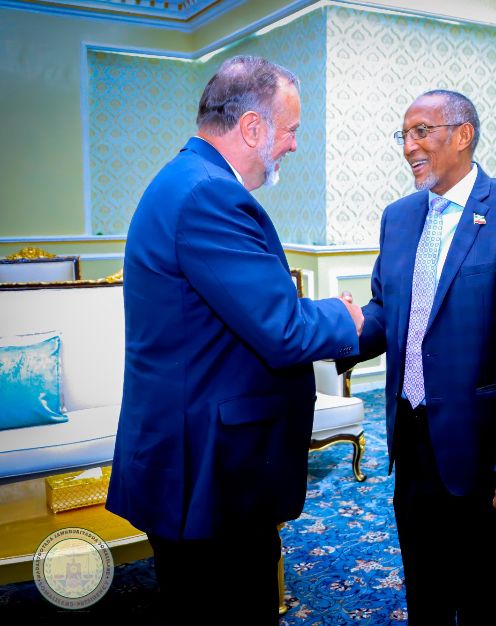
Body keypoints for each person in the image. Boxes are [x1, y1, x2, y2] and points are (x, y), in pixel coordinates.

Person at [106, 55, 364, 624]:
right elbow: (281, 329)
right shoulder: (210, 195)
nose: (293, 144)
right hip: (209, 467)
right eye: (290, 130)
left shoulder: (184, 179)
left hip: (193, 452)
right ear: (251, 127)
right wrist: (346, 316)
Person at [341, 89, 496, 624]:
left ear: (463, 135)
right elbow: (388, 312)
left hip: (482, 448)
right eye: (404, 135)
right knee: (424, 590)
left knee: (479, 595)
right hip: (411, 437)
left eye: (422, 132)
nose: (409, 147)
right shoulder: (398, 217)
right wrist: (339, 329)